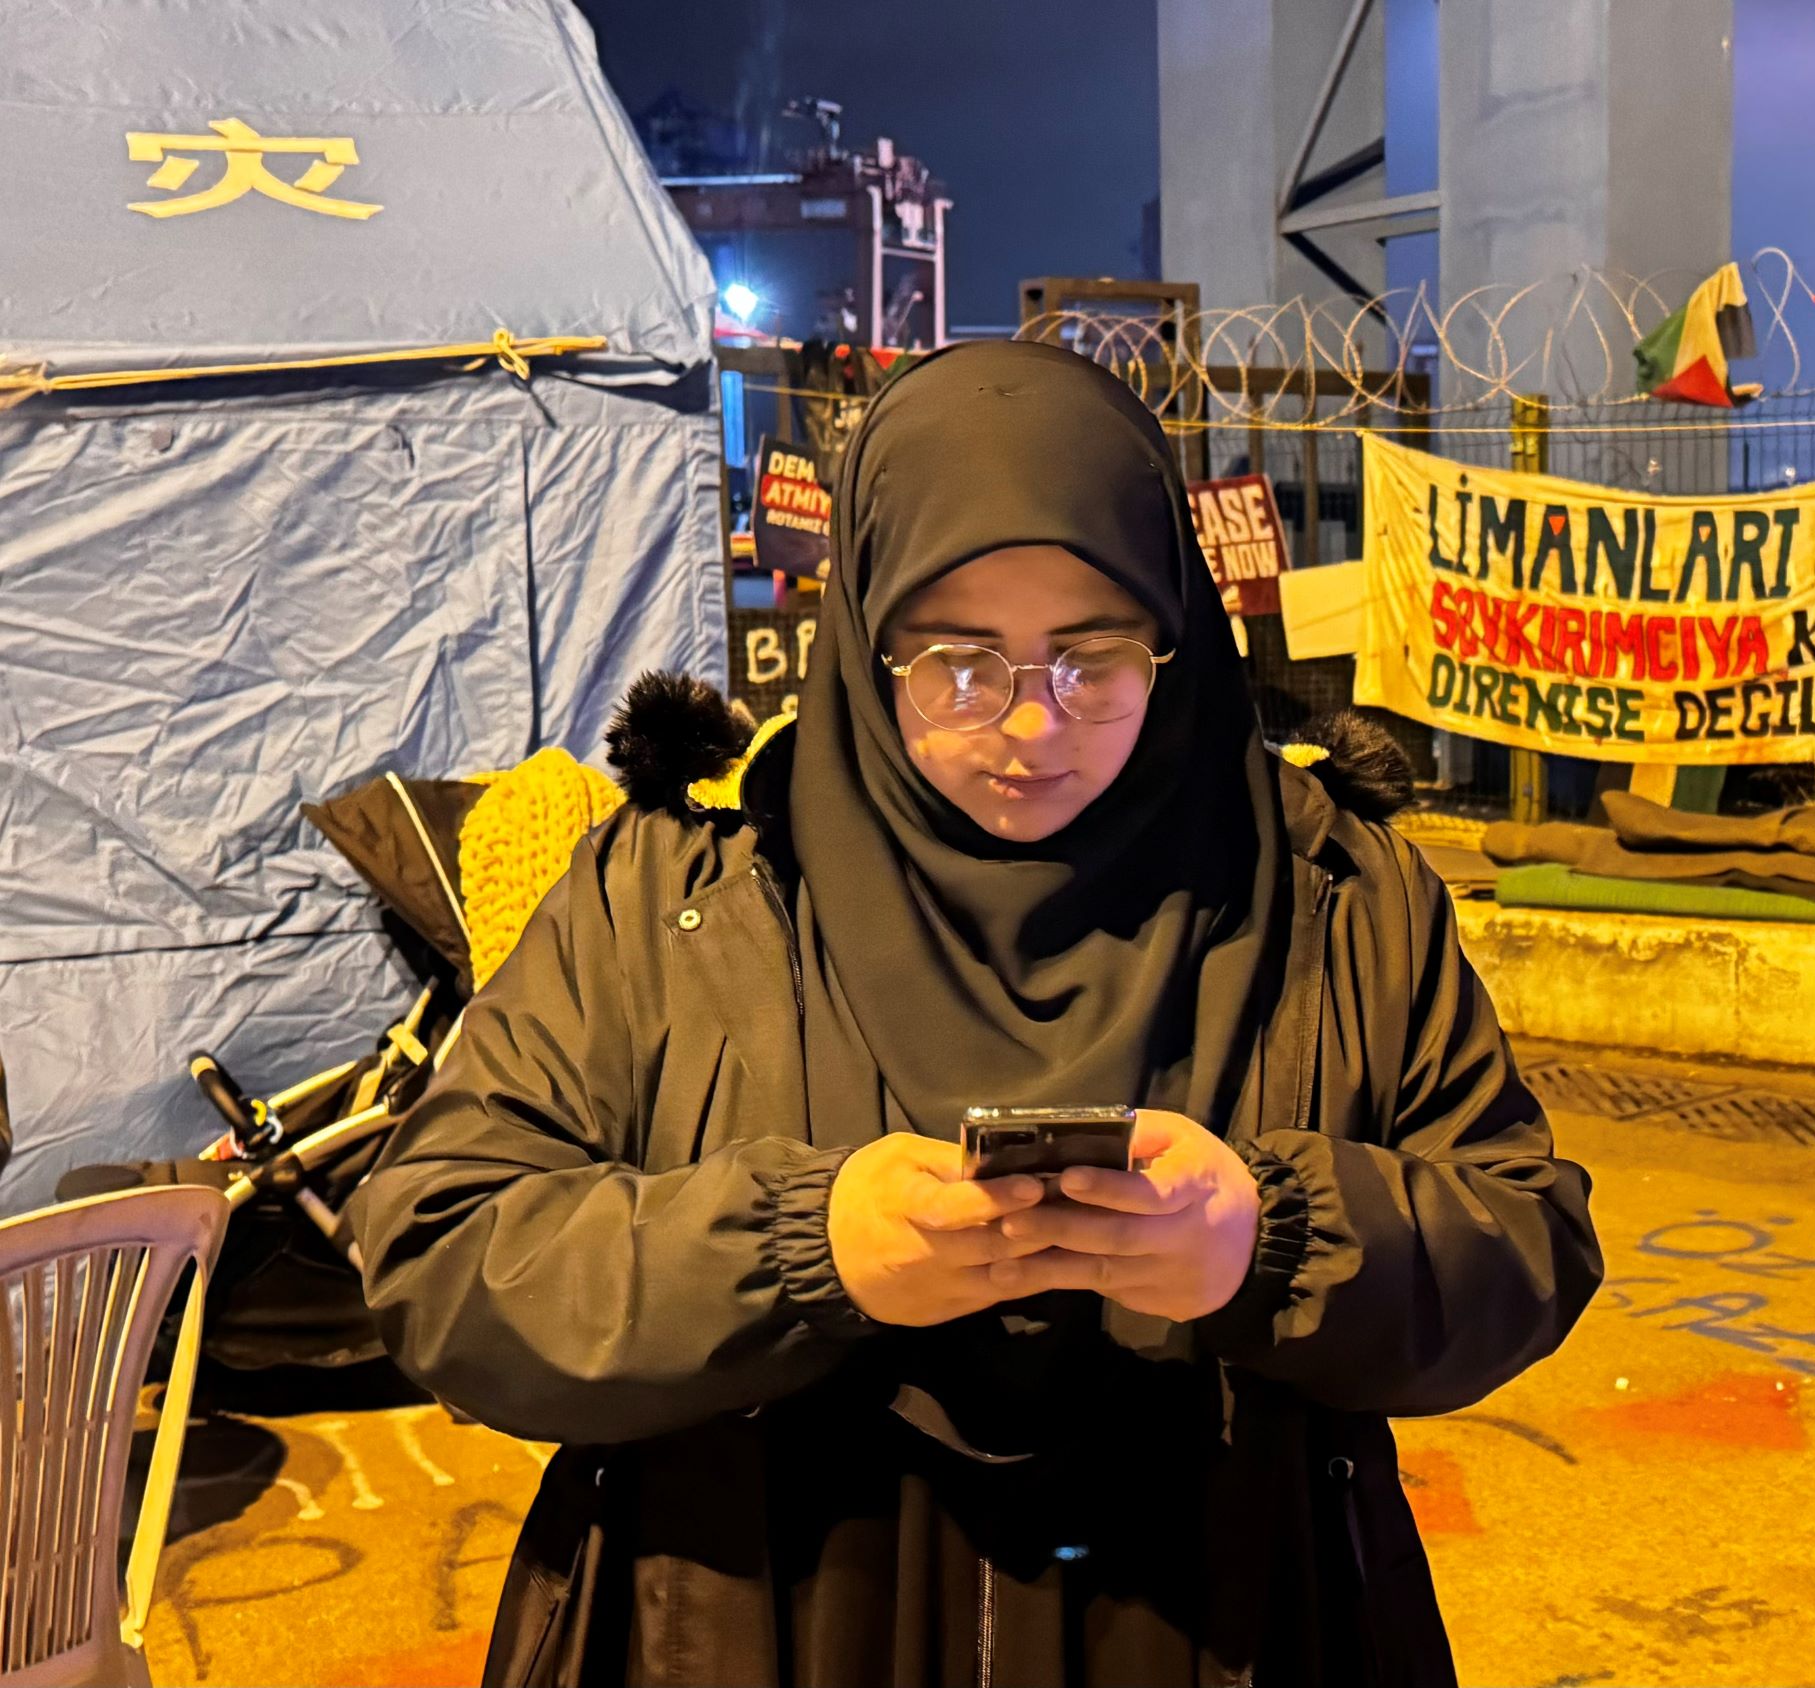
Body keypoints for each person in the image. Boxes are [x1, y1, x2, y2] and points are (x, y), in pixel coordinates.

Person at [351, 340, 1601, 1688]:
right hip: (751, 1624)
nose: (1028, 727)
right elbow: (444, 1255)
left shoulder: (1333, 896)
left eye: (1091, 658)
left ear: (1172, 637)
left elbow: (1524, 1234)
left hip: (1231, 1617)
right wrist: (796, 1249)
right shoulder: (675, 893)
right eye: (959, 663)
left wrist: (1273, 1239)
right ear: (869, 635)